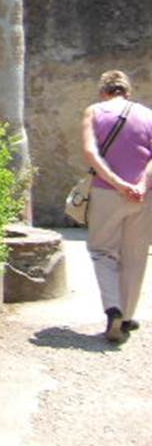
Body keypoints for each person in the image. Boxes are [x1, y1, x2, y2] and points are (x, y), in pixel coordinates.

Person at [81, 70, 152, 342]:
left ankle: (113, 310)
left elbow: (90, 152)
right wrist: (140, 185)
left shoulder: (94, 112)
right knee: (135, 255)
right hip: (143, 195)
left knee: (102, 252)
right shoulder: (147, 114)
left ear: (103, 91)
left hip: (107, 192)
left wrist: (116, 182)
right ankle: (128, 317)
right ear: (128, 92)